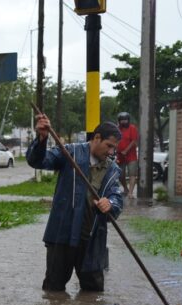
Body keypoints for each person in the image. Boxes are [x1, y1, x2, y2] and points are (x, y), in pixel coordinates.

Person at [26, 114, 123, 292]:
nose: (111, 152)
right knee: (53, 291)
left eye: (114, 148)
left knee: (93, 294)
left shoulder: (113, 169)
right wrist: (42, 138)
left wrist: (110, 203)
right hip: (62, 234)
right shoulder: (70, 152)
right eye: (109, 146)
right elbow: (38, 161)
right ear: (97, 138)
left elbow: (117, 197)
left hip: (92, 239)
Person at [116, 112, 139, 198]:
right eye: (122, 120)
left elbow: (133, 141)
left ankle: (130, 193)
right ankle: (125, 188)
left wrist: (126, 150)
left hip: (131, 155)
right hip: (120, 155)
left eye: (125, 120)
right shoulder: (117, 129)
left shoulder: (132, 128)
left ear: (128, 120)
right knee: (120, 174)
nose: (124, 121)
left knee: (132, 173)